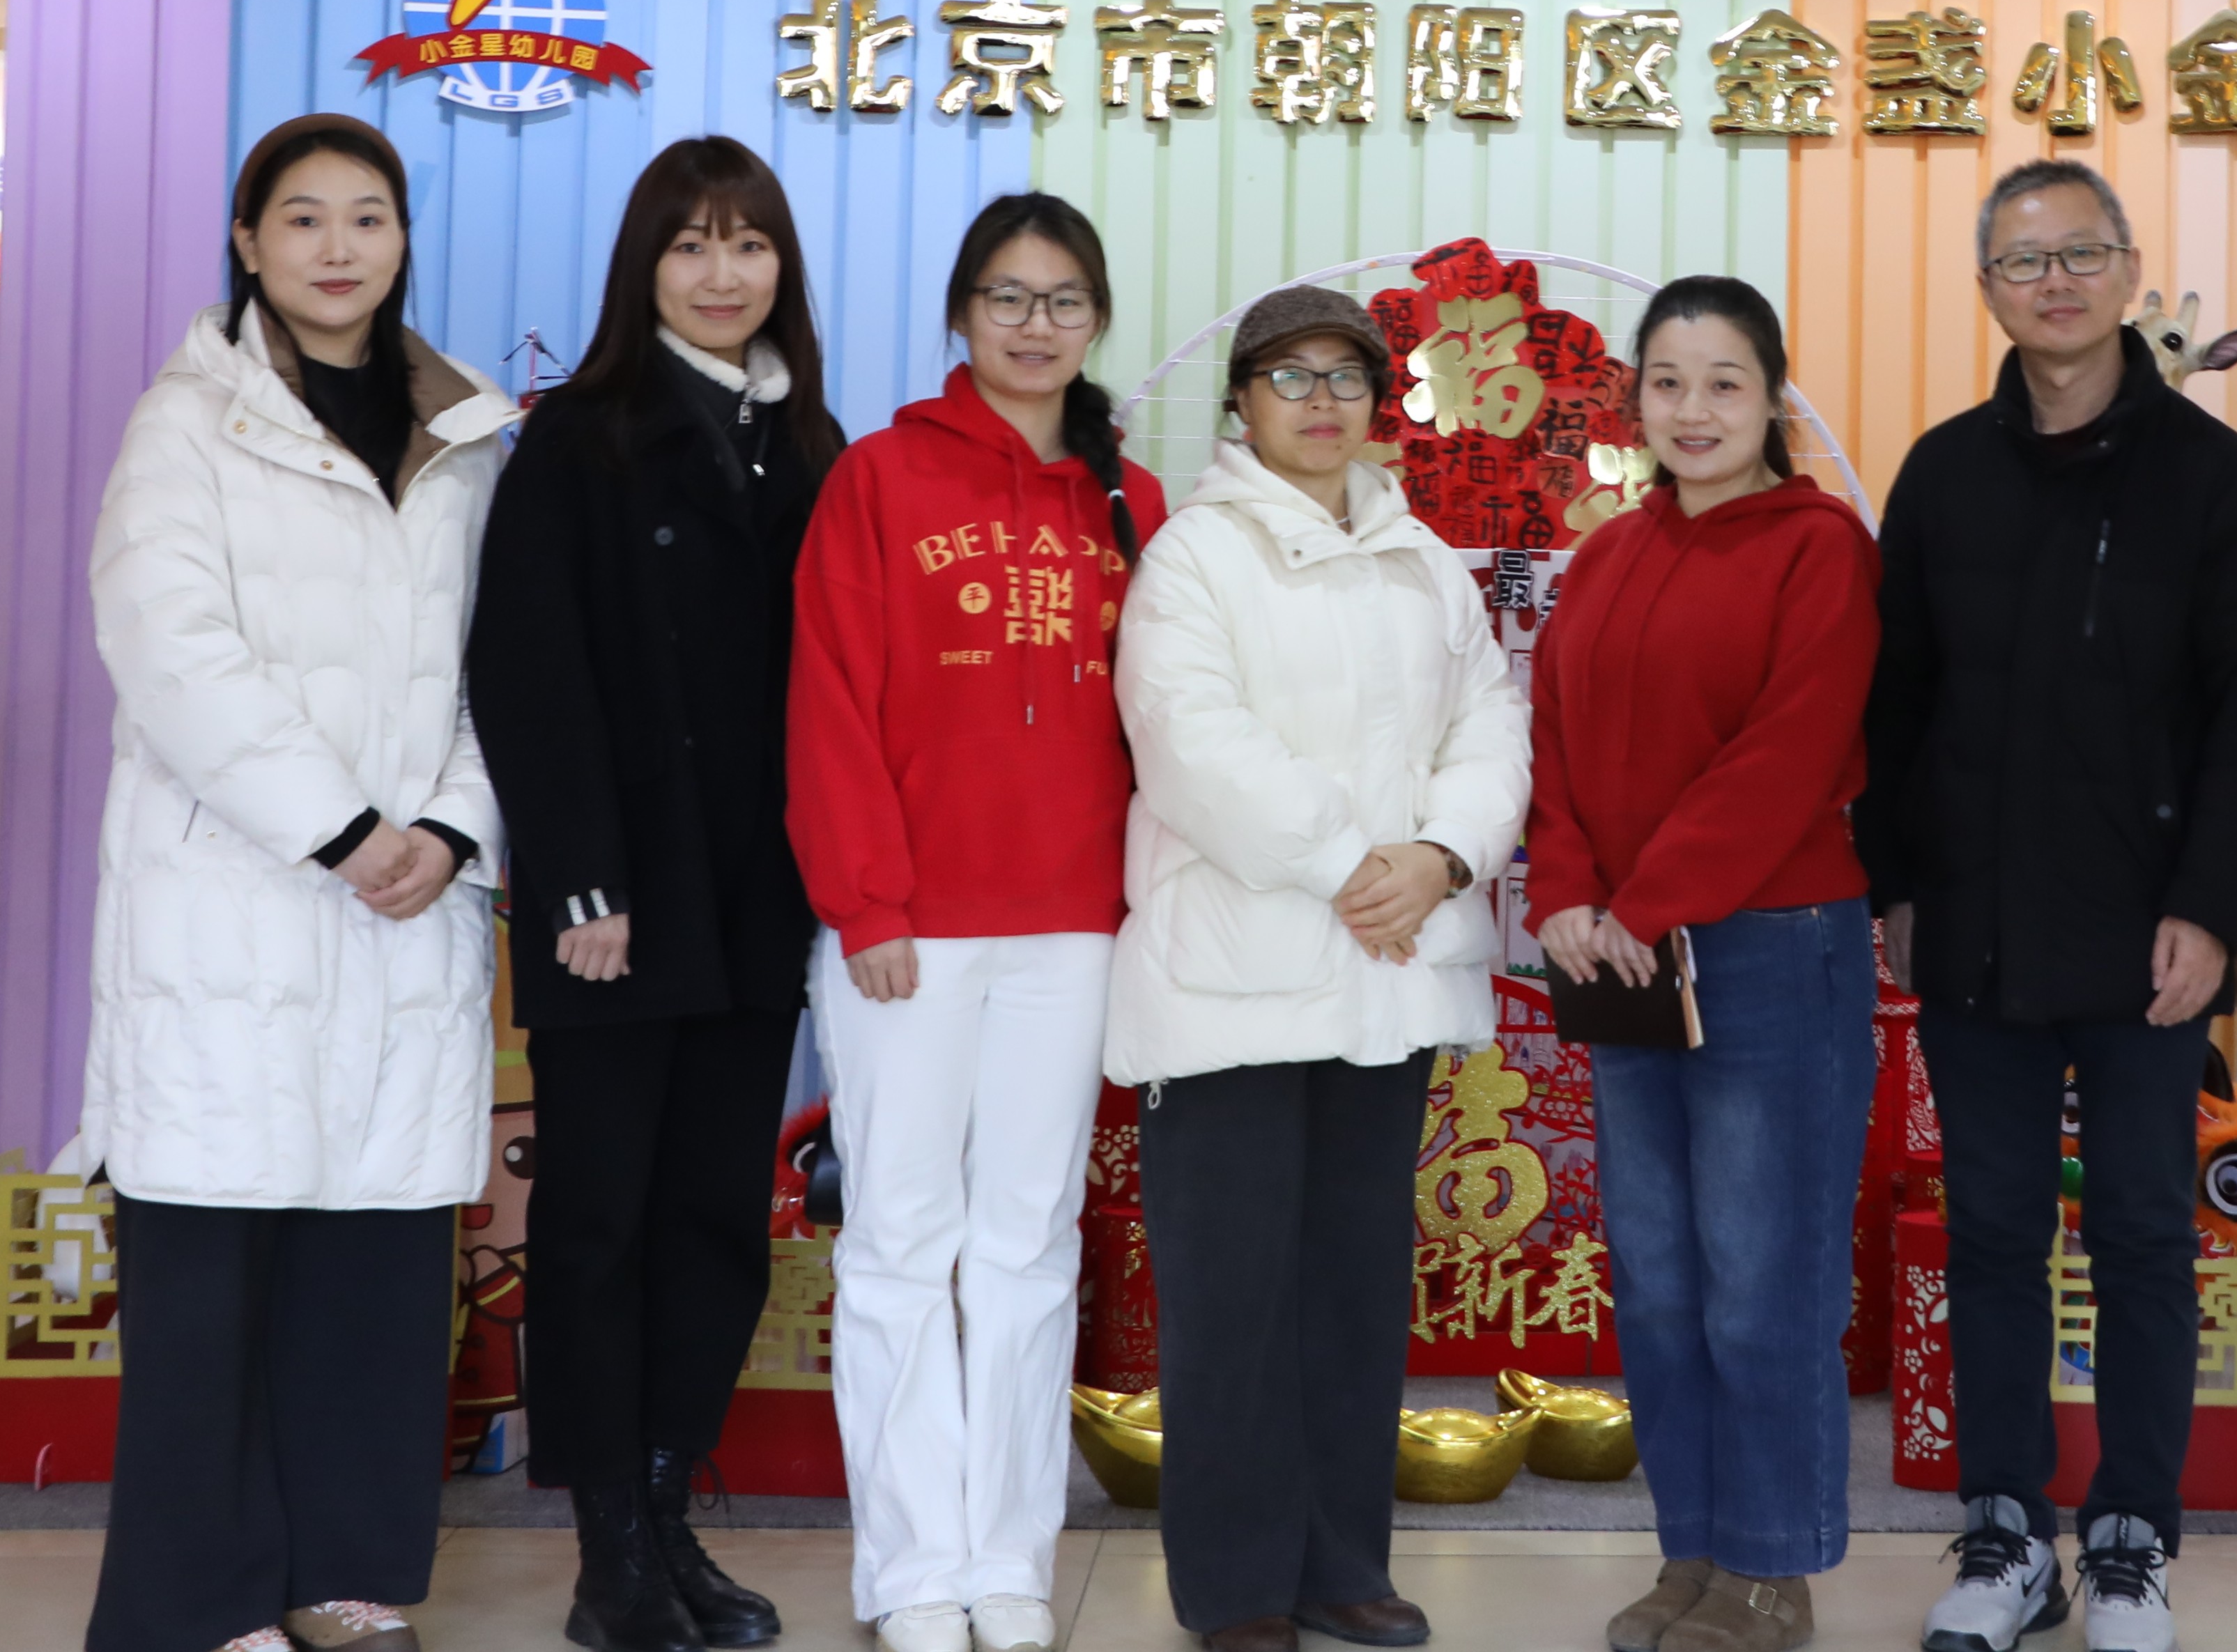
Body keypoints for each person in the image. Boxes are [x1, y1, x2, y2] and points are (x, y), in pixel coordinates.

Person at [66, 115, 516, 1652]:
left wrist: (449, 827)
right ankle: (197, 1603)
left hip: (407, 910)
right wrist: (340, 829)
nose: (338, 246)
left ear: (402, 242)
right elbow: (169, 645)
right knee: (212, 1274)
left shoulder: (462, 436)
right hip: (236, 907)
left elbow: (496, 668)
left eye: (368, 216)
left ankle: (345, 1563)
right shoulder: (186, 422)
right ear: (248, 242)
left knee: (373, 1263)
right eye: (304, 217)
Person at [1861, 160, 2237, 1652]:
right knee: (1992, 1232)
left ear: (2126, 271)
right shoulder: (1942, 474)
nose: (2053, 281)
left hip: (2148, 937)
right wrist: (1895, 881)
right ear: (1987, 287)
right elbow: (1893, 703)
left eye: (2080, 253)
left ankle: (2130, 1543)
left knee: (2141, 1237)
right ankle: (2004, 1539)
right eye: (2023, 259)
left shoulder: (2212, 475)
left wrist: (2211, 908)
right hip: (1974, 926)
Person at [1109, 284, 1530, 1652]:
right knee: (1233, 1300)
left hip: (1384, 979)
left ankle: (1343, 1564)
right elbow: (1189, 737)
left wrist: (1445, 854)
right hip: (1234, 983)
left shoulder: (1425, 563)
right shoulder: (1194, 554)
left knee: (1353, 1289)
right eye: (1290, 376)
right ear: (1240, 402)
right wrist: (1358, 863)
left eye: (1348, 376)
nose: (1321, 400)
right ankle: (1237, 1585)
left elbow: (1492, 725)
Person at [471, 138, 845, 1652]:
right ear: (645, 266)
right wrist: (582, 883)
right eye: (690, 244)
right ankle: (606, 1554)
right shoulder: (583, 435)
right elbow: (526, 670)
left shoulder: (810, 439)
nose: (721, 272)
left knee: (713, 1220)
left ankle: (669, 1512)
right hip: (614, 908)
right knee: (600, 1224)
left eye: (748, 243)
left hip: (756, 899)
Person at [787, 192, 1168, 1652]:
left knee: (1028, 1243)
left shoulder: (1130, 499)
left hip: (1074, 929)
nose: (1034, 323)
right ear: (961, 313)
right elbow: (830, 700)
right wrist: (867, 899)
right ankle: (909, 1569)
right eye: (1007, 295)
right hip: (909, 929)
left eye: (1063, 299)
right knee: (899, 1241)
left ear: (1097, 320)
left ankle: (1008, 1560)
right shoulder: (880, 476)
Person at [1530, 278, 1882, 1652]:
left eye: (1725, 382)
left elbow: (1791, 752)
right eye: (1667, 382)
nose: (1693, 409)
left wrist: (1646, 900)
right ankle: (1694, 1548)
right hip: (1627, 956)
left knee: (1762, 1278)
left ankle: (1772, 1567)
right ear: (1637, 399)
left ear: (1773, 400)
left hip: (1770, 950)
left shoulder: (1820, 546)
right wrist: (1568, 890)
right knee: (1663, 1279)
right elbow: (1554, 735)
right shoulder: (1610, 554)